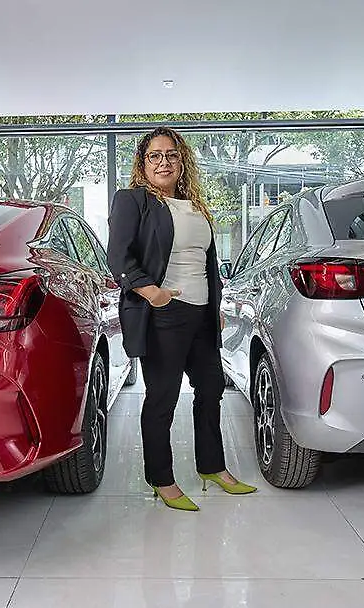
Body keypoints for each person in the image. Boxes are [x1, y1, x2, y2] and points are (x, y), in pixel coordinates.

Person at [106, 127, 257, 512]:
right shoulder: (133, 201)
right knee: (163, 397)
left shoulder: (194, 206)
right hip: (164, 314)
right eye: (155, 155)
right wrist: (150, 292)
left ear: (182, 160)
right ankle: (161, 479)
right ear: (143, 163)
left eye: (171, 155)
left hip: (202, 315)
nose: (164, 162)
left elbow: (206, 265)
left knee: (211, 388)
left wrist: (214, 308)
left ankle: (212, 466)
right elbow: (118, 257)